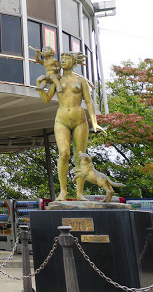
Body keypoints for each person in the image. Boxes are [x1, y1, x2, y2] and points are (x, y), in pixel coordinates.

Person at [38, 51, 105, 201]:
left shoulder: (80, 81)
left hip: (80, 120)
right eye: (62, 58)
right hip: (61, 120)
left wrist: (94, 121)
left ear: (73, 62)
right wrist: (39, 87)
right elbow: (47, 99)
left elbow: (89, 101)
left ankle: (79, 193)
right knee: (64, 154)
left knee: (79, 157)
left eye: (67, 58)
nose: (63, 60)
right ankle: (63, 191)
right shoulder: (57, 79)